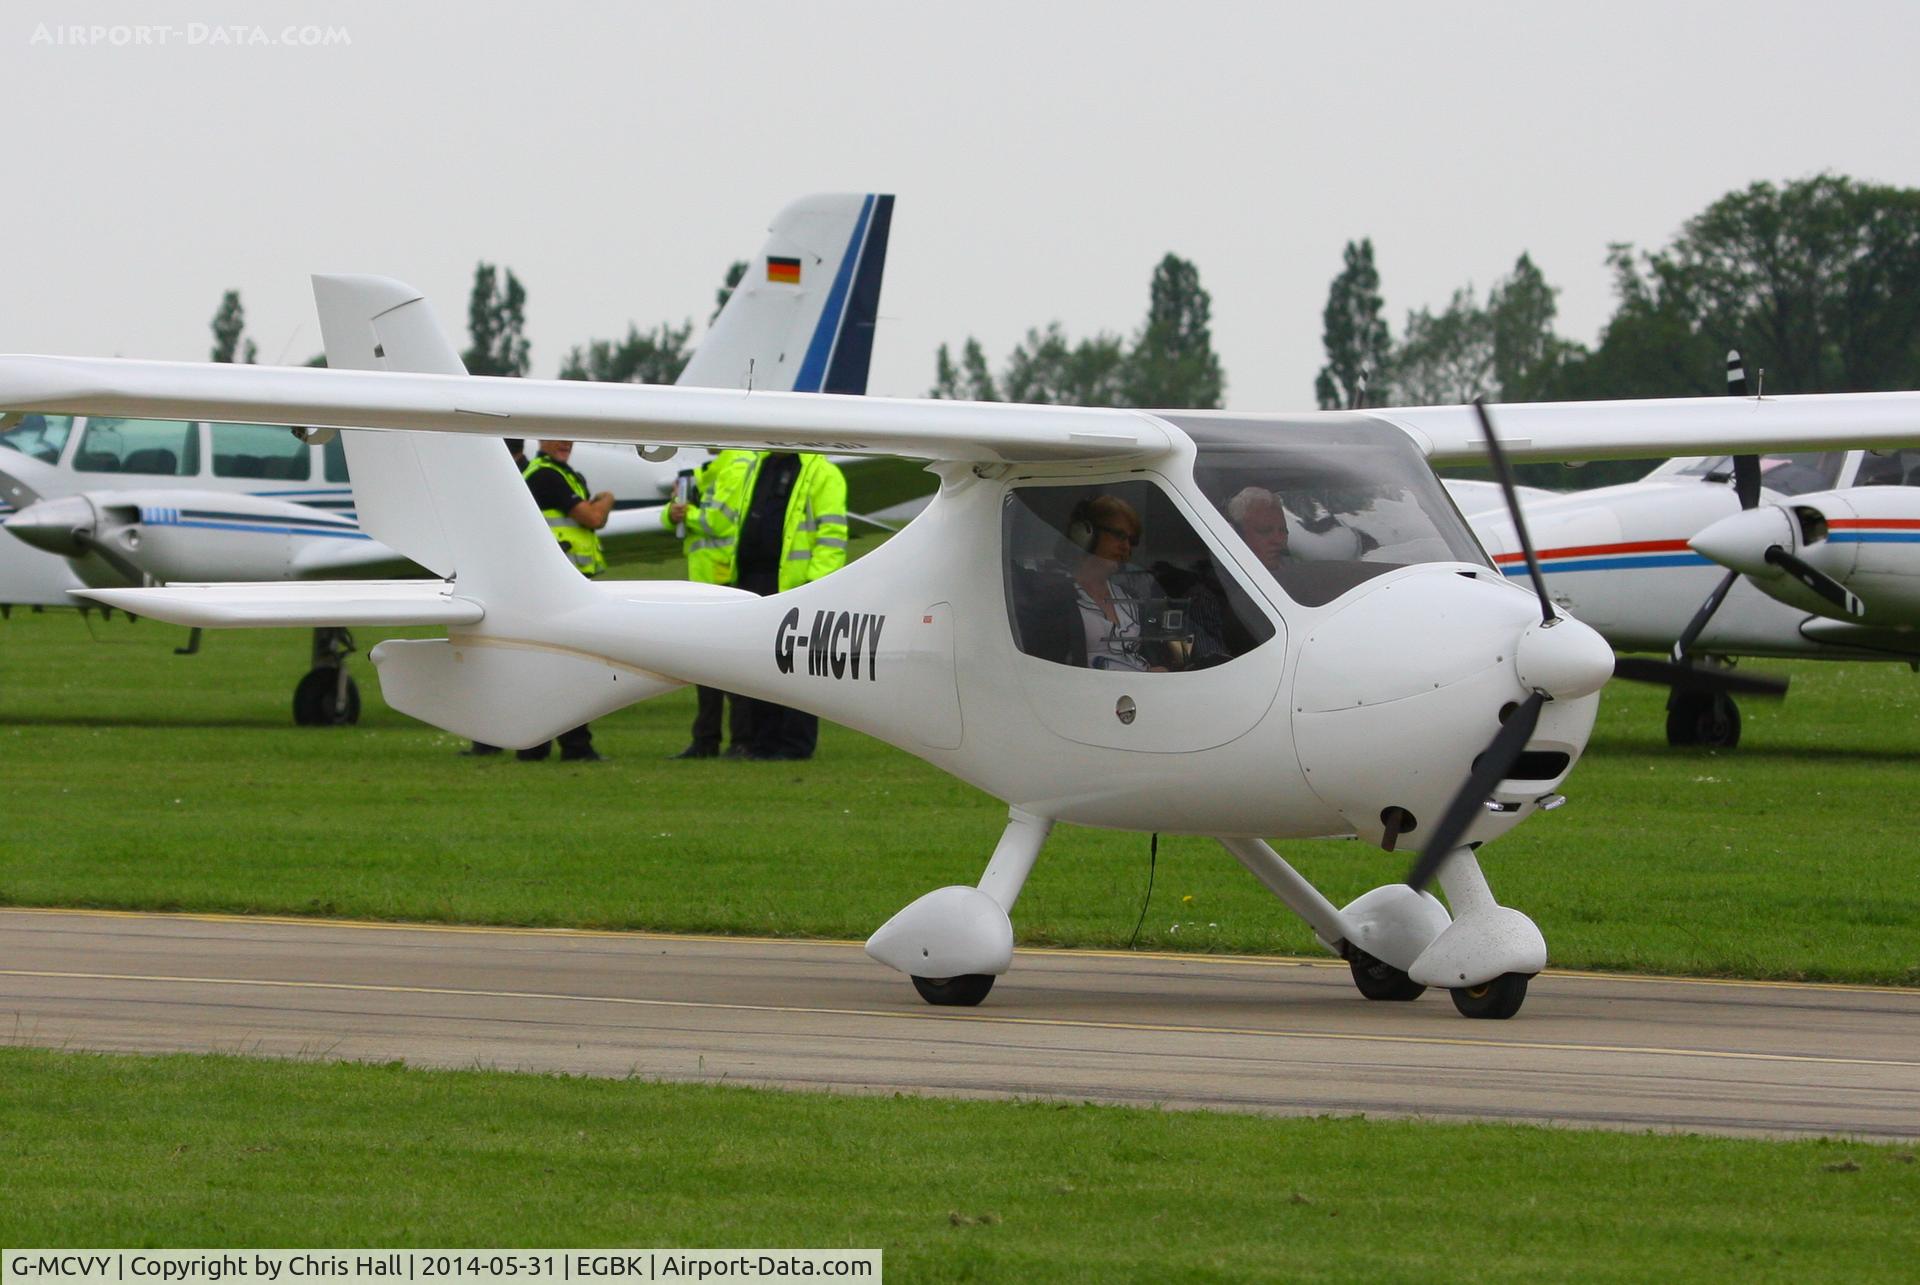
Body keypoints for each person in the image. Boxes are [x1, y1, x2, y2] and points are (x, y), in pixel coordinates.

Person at [729, 450, 849, 759]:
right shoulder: (761, 464)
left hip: (797, 587)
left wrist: (818, 584)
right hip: (754, 581)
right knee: (759, 666)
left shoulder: (822, 473)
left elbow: (832, 535)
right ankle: (762, 743)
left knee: (795, 669)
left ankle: (795, 744)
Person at [518, 439, 613, 762]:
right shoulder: (547, 476)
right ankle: (573, 746)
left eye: (569, 437)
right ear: (541, 439)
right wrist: (606, 501)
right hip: (555, 589)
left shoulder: (563, 473)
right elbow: (592, 519)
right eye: (557, 436)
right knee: (566, 666)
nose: (566, 443)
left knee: (552, 666)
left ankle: (537, 745)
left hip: (564, 585)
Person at [665, 449, 754, 759]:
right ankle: (707, 739)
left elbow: (720, 521)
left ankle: (740, 740)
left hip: (725, 579)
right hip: (704, 581)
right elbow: (678, 508)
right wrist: (672, 512)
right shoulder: (711, 468)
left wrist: (683, 514)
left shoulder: (738, 464)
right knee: (706, 665)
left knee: (730, 667)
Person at [1068, 495, 1166, 672]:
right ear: (1086, 534)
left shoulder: (1129, 598)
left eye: (1131, 541)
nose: (1126, 548)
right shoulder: (1056, 597)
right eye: (1119, 536)